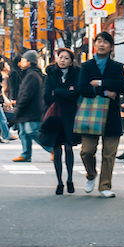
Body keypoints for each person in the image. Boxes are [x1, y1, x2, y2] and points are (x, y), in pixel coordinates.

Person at [76, 31, 124, 198]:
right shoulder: (86, 66)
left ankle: (105, 186)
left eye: (105, 42)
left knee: (109, 153)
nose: (101, 44)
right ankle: (91, 174)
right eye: (98, 41)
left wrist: (99, 83)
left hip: (111, 115)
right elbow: (82, 87)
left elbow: (122, 86)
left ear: (111, 46)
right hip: (90, 113)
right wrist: (106, 92)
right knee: (86, 151)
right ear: (94, 44)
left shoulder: (117, 67)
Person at [43, 47, 80, 193]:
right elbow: (46, 96)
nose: (62, 60)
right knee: (56, 148)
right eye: (60, 57)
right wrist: (64, 92)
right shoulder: (50, 74)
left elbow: (76, 93)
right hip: (55, 116)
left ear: (71, 61)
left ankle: (70, 179)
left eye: (66, 58)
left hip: (71, 115)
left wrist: (57, 91)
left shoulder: (77, 74)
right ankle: (59, 182)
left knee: (69, 147)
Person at [11, 50, 46, 162]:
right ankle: (26, 154)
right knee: (23, 132)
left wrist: (19, 105)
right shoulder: (29, 73)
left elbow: (26, 93)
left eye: (24, 60)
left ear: (29, 62)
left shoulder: (32, 75)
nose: (21, 62)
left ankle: (51, 148)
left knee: (32, 131)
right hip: (26, 109)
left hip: (30, 109)